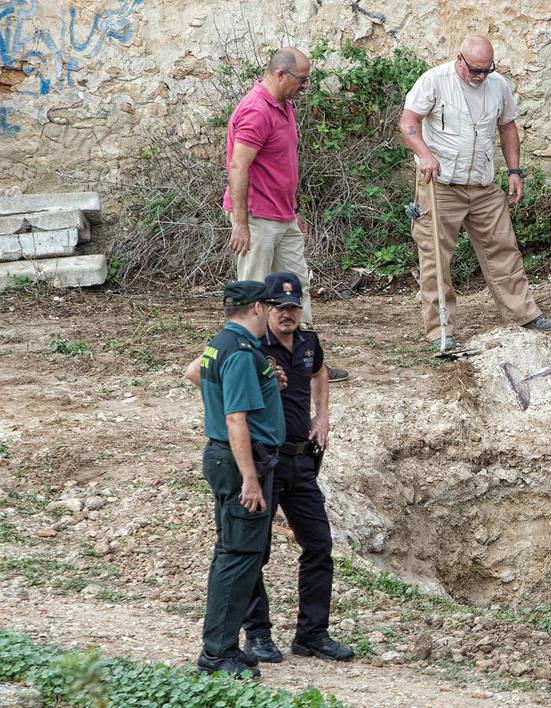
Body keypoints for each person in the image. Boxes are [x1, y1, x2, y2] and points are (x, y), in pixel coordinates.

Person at [186, 273, 353, 664]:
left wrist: (320, 417)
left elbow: (318, 374)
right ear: (262, 308)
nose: (287, 314)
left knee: (314, 545)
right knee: (247, 552)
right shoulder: (244, 347)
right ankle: (249, 638)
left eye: (294, 307)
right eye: (278, 306)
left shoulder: (298, 343)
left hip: (296, 458)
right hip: (257, 461)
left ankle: (311, 635)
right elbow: (214, 393)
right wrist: (240, 396)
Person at [399, 34, 551, 351]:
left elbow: (507, 126)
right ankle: (441, 332)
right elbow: (408, 123)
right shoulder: (434, 81)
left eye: (486, 70)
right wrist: (425, 154)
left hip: (483, 184)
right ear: (459, 60)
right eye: (475, 70)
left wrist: (514, 171)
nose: (480, 77)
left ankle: (525, 315)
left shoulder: (497, 85)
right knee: (435, 258)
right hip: (440, 185)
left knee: (504, 248)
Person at [223, 47, 349, 382]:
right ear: (281, 74)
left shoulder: (284, 105)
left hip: (282, 215)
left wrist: (292, 209)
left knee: (297, 285)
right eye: (302, 79)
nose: (305, 86)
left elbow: (281, 165)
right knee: (253, 290)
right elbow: (238, 166)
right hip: (257, 217)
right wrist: (241, 222)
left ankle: (307, 362)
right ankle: (248, 364)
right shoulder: (256, 111)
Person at [193, 280, 285, 678]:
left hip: (223, 458)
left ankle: (223, 645)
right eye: (267, 305)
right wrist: (250, 476)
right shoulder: (243, 352)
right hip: (240, 463)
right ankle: (217, 654)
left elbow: (193, 373)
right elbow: (236, 419)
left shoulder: (220, 343)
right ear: (257, 309)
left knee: (233, 553)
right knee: (239, 557)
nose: (270, 312)